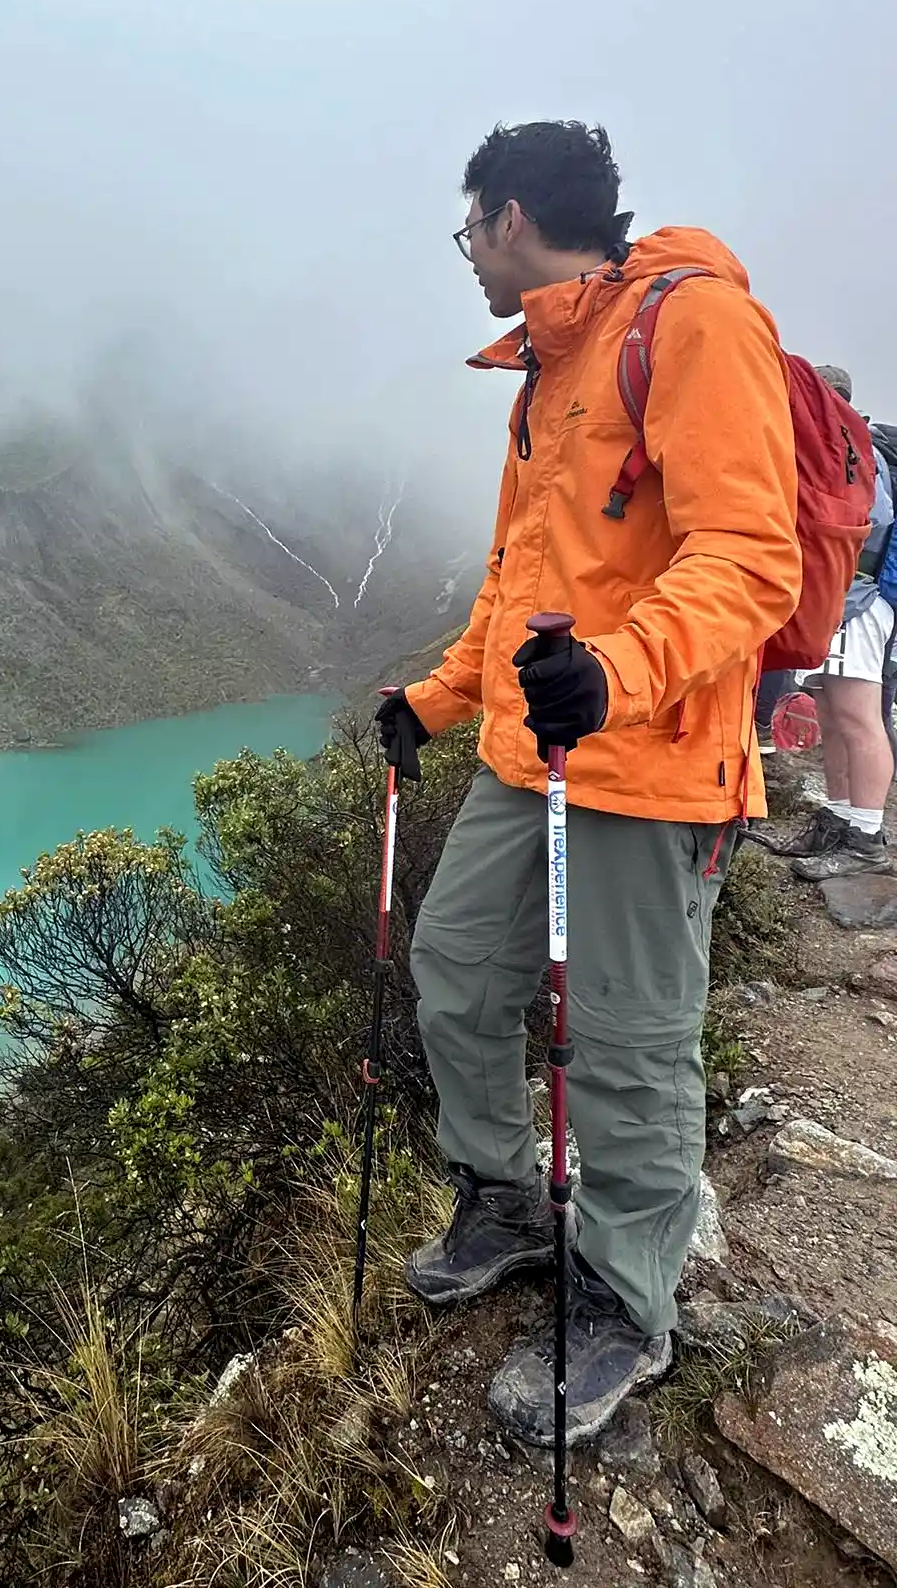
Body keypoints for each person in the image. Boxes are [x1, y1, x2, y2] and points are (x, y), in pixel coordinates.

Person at [373, 121, 799, 1447]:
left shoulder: (694, 325)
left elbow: (749, 556)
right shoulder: (549, 369)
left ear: (509, 219)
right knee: (454, 973)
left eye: (467, 237)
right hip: (529, 753)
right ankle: (502, 1204)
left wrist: (619, 670)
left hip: (654, 759)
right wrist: (433, 703)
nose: (468, 263)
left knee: (625, 1046)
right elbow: (520, 588)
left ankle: (626, 1298)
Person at [772, 365, 895, 877]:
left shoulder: (852, 444)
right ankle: (840, 817)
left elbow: (875, 519)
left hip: (859, 599)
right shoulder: (834, 441)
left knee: (857, 716)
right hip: (836, 598)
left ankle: (865, 836)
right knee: (834, 715)